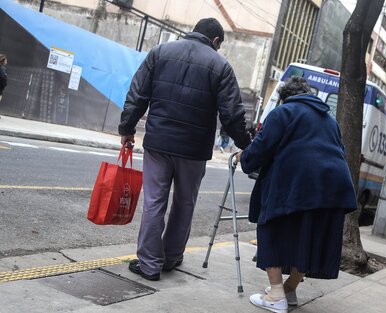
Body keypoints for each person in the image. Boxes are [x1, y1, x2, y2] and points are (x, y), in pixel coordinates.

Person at [119, 18, 252, 281]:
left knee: (154, 202)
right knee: (184, 203)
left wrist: (127, 128)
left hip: (158, 143)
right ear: (216, 41)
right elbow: (232, 115)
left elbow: (138, 94)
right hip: (194, 150)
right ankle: (171, 258)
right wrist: (248, 145)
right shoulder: (221, 66)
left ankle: (149, 264)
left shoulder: (160, 52)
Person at [238, 76, 357, 313]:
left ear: (285, 97)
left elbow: (261, 147)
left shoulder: (283, 112)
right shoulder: (329, 120)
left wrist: (245, 157)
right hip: (333, 188)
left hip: (299, 182)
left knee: (269, 228)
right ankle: (289, 289)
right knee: (308, 237)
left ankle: (275, 295)